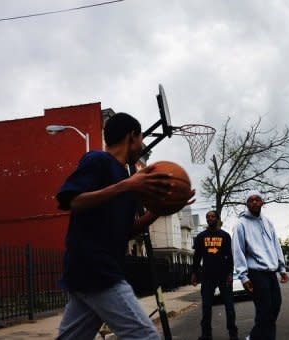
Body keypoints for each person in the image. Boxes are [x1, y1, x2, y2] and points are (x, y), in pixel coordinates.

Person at [56, 112, 194, 340]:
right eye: (141, 139)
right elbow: (73, 201)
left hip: (90, 272)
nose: (142, 146)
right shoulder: (97, 160)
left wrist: (161, 209)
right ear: (132, 136)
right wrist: (126, 186)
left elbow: (127, 231)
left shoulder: (127, 178)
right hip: (97, 269)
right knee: (145, 336)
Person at [232, 190, 289, 340]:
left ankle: (254, 337)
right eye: (251, 200)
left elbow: (276, 245)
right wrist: (243, 277)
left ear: (263, 202)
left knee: (275, 306)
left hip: (271, 271)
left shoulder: (268, 222)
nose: (255, 202)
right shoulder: (240, 224)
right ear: (247, 203)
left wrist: (282, 268)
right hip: (255, 272)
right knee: (265, 309)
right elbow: (238, 251)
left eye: (258, 199)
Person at [191, 210, 238, 340]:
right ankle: (206, 335)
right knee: (206, 306)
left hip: (223, 275)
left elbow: (230, 256)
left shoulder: (225, 236)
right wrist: (194, 273)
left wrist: (230, 273)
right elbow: (197, 257)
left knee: (229, 306)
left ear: (217, 219)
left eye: (213, 216)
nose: (210, 218)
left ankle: (233, 334)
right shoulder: (201, 237)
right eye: (208, 217)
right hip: (207, 276)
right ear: (206, 220)